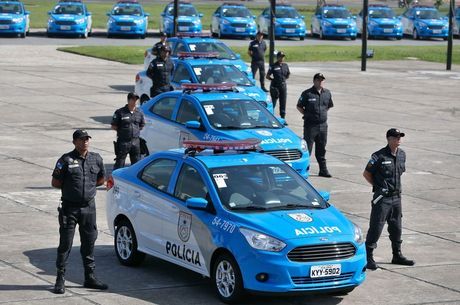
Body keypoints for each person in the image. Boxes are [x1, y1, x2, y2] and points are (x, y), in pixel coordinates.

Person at [51, 129, 108, 294]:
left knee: (89, 243)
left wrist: (87, 190)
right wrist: (72, 189)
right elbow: (55, 182)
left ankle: (89, 277)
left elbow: (101, 179)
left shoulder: (96, 159)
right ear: (75, 142)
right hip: (69, 208)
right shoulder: (65, 160)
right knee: (65, 244)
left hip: (89, 208)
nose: (85, 142)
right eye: (82, 139)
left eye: (87, 139)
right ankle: (60, 279)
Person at [363, 128, 415, 270]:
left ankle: (397, 255)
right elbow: (366, 174)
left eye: (400, 137)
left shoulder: (402, 155)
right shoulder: (378, 156)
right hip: (383, 199)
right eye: (396, 137)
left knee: (396, 227)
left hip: (397, 198)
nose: (399, 139)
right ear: (389, 139)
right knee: (376, 227)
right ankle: (368, 256)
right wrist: (378, 187)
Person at [296, 73, 334, 177]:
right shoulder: (307, 93)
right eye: (318, 80)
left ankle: (323, 170)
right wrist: (307, 115)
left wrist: (321, 114)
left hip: (323, 126)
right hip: (310, 126)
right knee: (308, 149)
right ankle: (305, 170)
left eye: (322, 80)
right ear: (314, 81)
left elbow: (328, 106)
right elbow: (299, 106)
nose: (320, 81)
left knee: (321, 149)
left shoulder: (327, 93)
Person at [111, 92, 145, 170]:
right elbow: (114, 126)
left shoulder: (139, 113)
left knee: (136, 164)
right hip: (123, 142)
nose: (135, 101)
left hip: (135, 142)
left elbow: (141, 125)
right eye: (133, 99)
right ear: (128, 100)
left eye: (136, 99)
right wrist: (124, 132)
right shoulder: (120, 112)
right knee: (120, 163)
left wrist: (134, 132)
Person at [266, 51, 290, 119]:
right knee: (273, 103)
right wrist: (273, 80)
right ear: (277, 57)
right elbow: (267, 76)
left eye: (283, 57)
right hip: (275, 87)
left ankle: (283, 118)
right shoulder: (273, 66)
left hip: (283, 86)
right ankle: (270, 117)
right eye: (280, 57)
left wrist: (283, 80)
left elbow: (288, 74)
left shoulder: (285, 65)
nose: (282, 58)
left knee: (283, 102)